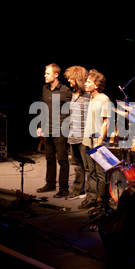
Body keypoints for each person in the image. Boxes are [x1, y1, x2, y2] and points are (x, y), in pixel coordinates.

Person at [36, 63, 72, 198]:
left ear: (56, 75)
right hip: (47, 129)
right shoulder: (44, 89)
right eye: (45, 73)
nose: (45, 75)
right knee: (49, 158)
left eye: (47, 73)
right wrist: (40, 125)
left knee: (62, 159)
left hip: (61, 130)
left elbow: (72, 110)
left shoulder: (65, 91)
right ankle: (50, 183)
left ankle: (64, 188)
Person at [79, 69, 111, 210]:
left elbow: (106, 121)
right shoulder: (91, 98)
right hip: (88, 140)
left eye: (89, 82)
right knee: (90, 172)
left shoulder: (104, 99)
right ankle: (91, 198)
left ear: (96, 85)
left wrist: (99, 141)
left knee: (100, 173)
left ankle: (101, 200)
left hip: (98, 141)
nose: (86, 84)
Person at [63, 65, 91, 201]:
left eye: (71, 78)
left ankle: (92, 193)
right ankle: (78, 190)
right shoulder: (73, 94)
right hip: (73, 136)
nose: (69, 81)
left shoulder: (89, 96)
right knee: (77, 165)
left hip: (84, 138)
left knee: (88, 167)